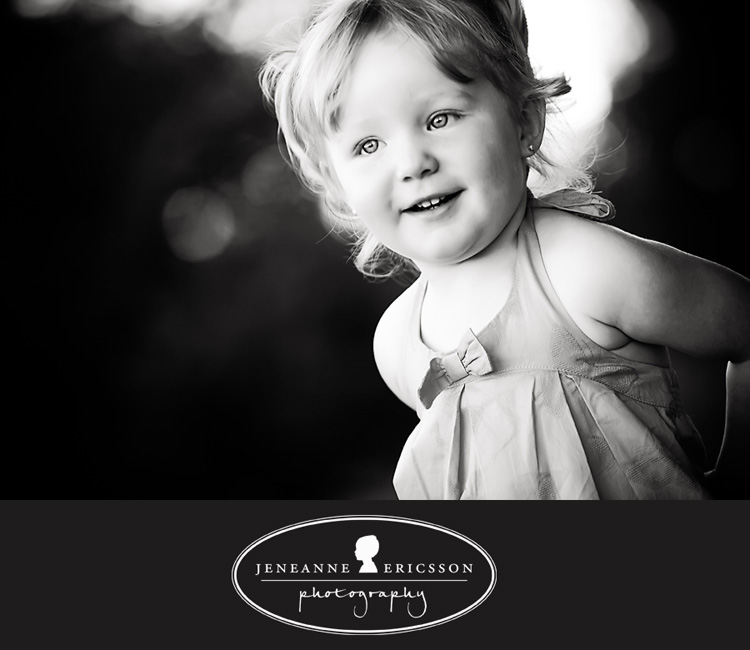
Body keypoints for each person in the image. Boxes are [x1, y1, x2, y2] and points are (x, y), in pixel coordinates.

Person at [259, 0, 750, 499]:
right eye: (368, 145)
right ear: (338, 185)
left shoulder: (583, 269)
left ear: (524, 123)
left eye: (440, 118)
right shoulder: (398, 343)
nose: (412, 163)